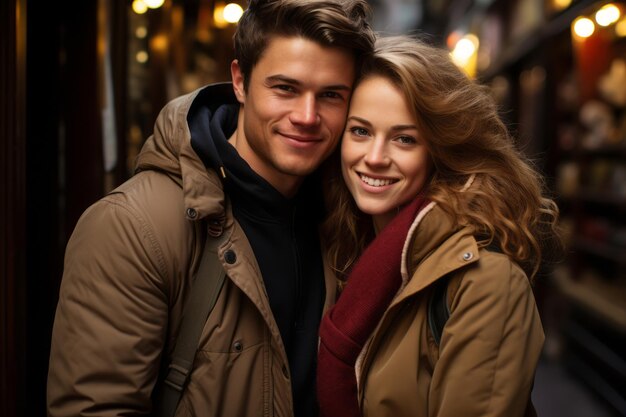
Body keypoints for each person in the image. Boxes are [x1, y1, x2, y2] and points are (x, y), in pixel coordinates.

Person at [47, 1, 375, 416]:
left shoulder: (346, 215)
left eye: (330, 95)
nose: (307, 116)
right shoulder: (132, 226)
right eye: (285, 88)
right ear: (239, 80)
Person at [316, 35, 562, 417]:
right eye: (361, 131)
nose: (375, 157)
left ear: (441, 149)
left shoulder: (486, 281)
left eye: (404, 138)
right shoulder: (346, 243)